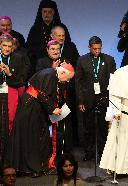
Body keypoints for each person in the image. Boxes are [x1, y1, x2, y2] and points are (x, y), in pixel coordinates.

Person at [8, 63, 74, 177]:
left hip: (34, 108)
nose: (67, 81)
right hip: (30, 109)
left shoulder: (52, 75)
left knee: (40, 138)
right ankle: (33, 168)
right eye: (67, 78)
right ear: (62, 72)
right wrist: (53, 109)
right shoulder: (49, 74)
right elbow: (42, 94)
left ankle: (41, 166)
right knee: (32, 138)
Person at [76, 36, 116, 161]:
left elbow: (114, 80)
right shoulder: (82, 60)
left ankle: (103, 152)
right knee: (88, 128)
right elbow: (78, 82)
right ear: (89, 47)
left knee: (103, 127)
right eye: (94, 49)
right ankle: (89, 151)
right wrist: (80, 100)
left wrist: (112, 99)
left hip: (104, 98)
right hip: (88, 99)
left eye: (99, 48)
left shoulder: (109, 60)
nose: (97, 51)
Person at [0, 35, 29, 168]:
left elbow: (21, 81)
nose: (7, 49)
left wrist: (9, 74)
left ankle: (10, 162)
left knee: (11, 128)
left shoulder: (19, 58)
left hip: (12, 96)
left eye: (9, 46)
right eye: (4, 46)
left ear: (13, 47)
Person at [50, 25, 80, 147]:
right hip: (51, 93)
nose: (62, 38)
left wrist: (71, 74)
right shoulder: (47, 50)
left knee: (67, 120)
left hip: (68, 90)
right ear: (52, 36)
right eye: (59, 35)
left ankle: (67, 147)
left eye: (63, 36)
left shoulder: (70, 47)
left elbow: (78, 65)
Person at [26, 0, 71, 75]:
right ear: (41, 13)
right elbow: (29, 48)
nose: (47, 14)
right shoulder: (35, 28)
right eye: (44, 11)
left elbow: (67, 45)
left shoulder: (61, 27)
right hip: (40, 64)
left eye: (49, 12)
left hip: (60, 63)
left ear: (54, 13)